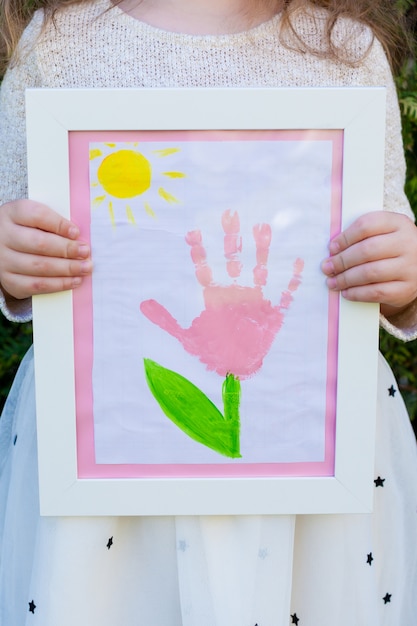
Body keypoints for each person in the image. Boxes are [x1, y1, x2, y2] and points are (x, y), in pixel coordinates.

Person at [1, 0, 417, 625]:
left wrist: (403, 276)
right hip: (103, 457)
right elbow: (20, 235)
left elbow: (384, 242)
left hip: (311, 455)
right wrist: (12, 262)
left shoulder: (345, 49)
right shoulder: (58, 45)